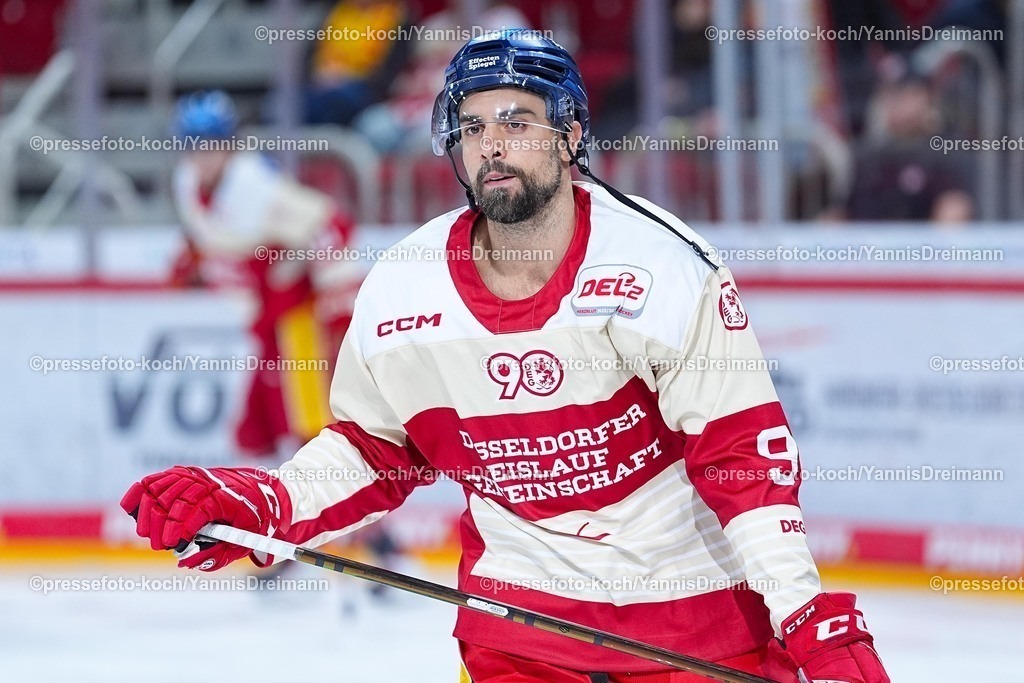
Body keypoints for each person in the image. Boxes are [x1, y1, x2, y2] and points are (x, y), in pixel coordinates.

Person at [124, 33, 890, 683]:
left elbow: (742, 463)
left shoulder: (664, 267)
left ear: (572, 136)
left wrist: (808, 609)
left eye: (518, 120)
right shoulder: (403, 286)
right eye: (472, 124)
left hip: (696, 623)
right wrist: (265, 505)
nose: (492, 142)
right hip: (515, 630)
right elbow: (373, 448)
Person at [170, 90, 360, 459]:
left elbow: (330, 223)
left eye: (212, 146)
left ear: (230, 145)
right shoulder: (186, 182)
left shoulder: (255, 185)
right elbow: (213, 239)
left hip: (298, 314)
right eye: (195, 147)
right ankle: (272, 512)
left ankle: (349, 516)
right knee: (258, 428)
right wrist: (195, 259)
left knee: (313, 425)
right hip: (266, 318)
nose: (203, 157)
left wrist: (337, 295)